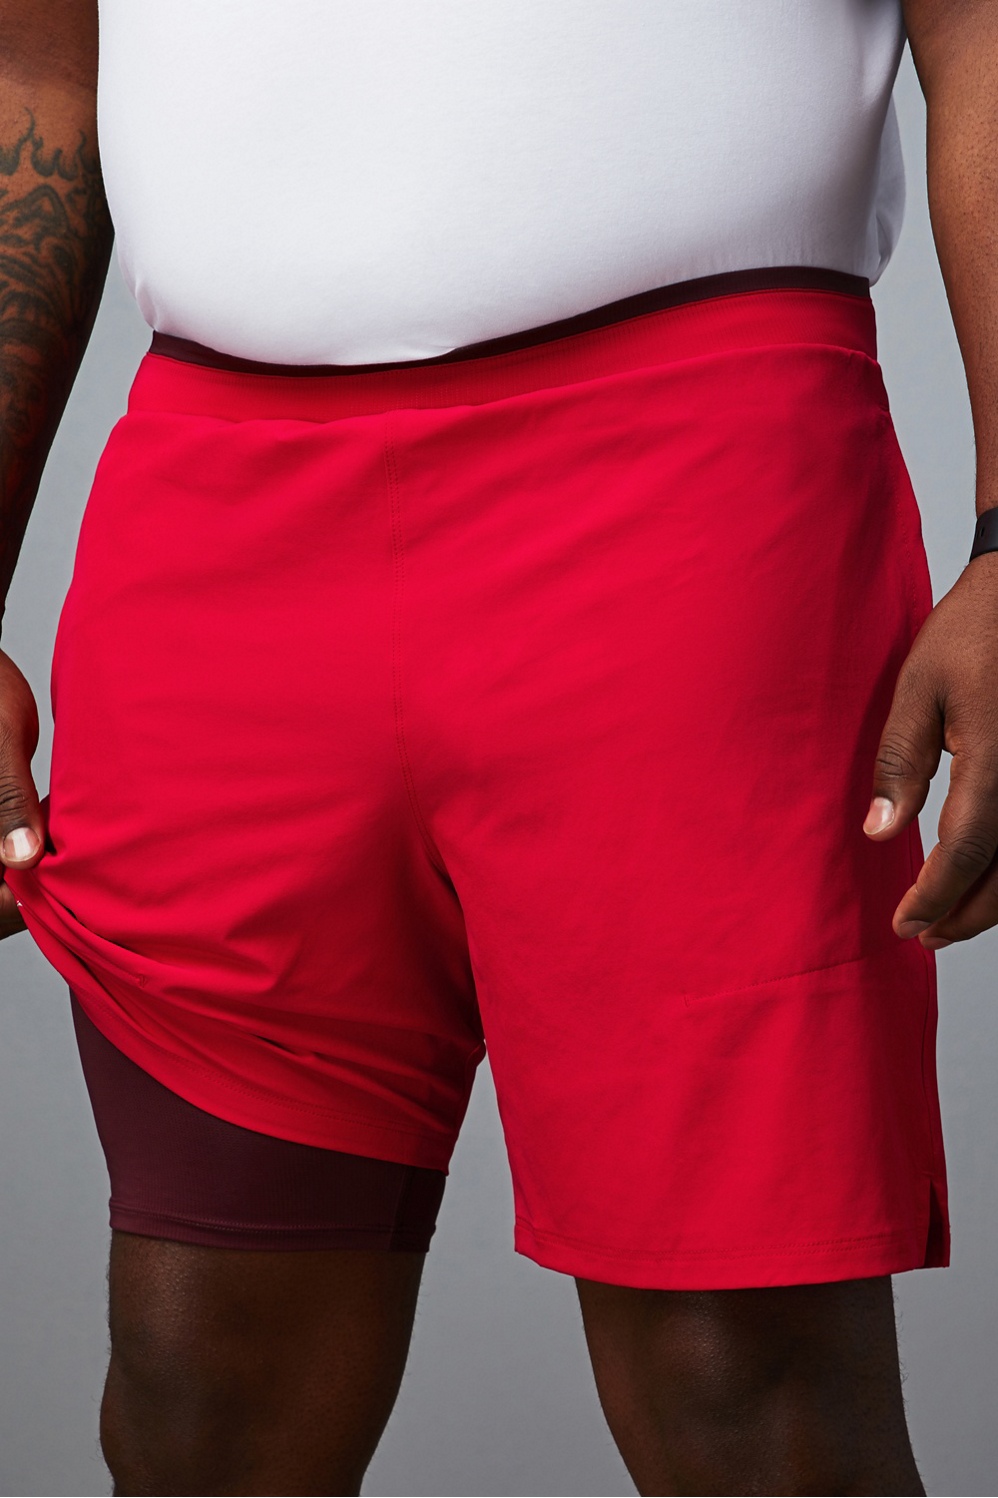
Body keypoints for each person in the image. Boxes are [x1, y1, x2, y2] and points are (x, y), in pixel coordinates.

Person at [0, 1, 994, 1492]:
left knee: (747, 1381)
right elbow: (37, 71)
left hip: (694, 482)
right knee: (203, 1391)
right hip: (216, 502)